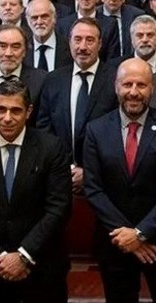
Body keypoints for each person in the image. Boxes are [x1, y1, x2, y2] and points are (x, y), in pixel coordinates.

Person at [83, 58, 156, 303]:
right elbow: (93, 188)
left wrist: (141, 233)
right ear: (116, 86)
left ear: (152, 88)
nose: (133, 92)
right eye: (127, 84)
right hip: (115, 243)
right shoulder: (96, 130)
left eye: (141, 85)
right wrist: (128, 237)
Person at [0, 78, 72, 303]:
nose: (7, 118)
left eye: (15, 110)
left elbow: (58, 209)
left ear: (28, 111)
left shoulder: (52, 147)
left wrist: (23, 256)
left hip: (42, 265)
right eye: (1, 109)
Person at [34, 17, 120, 192]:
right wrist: (66, 169)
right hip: (59, 178)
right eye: (77, 39)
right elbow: (44, 129)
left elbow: (119, 134)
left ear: (100, 44)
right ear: (69, 42)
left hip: (105, 182)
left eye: (90, 40)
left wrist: (89, 171)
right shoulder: (53, 79)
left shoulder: (115, 80)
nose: (82, 47)